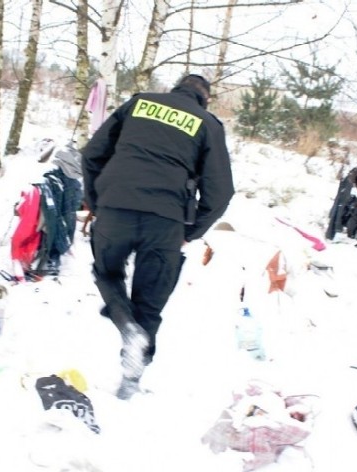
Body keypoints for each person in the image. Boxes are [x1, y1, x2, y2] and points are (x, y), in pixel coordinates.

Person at [81, 74, 234, 399]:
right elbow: (220, 193)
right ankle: (131, 380)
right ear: (204, 98)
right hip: (166, 222)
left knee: (106, 273)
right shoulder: (207, 124)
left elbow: (91, 154)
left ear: (175, 89)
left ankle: (126, 325)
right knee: (148, 304)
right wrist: (190, 232)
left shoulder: (139, 104)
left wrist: (98, 202)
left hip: (116, 208)